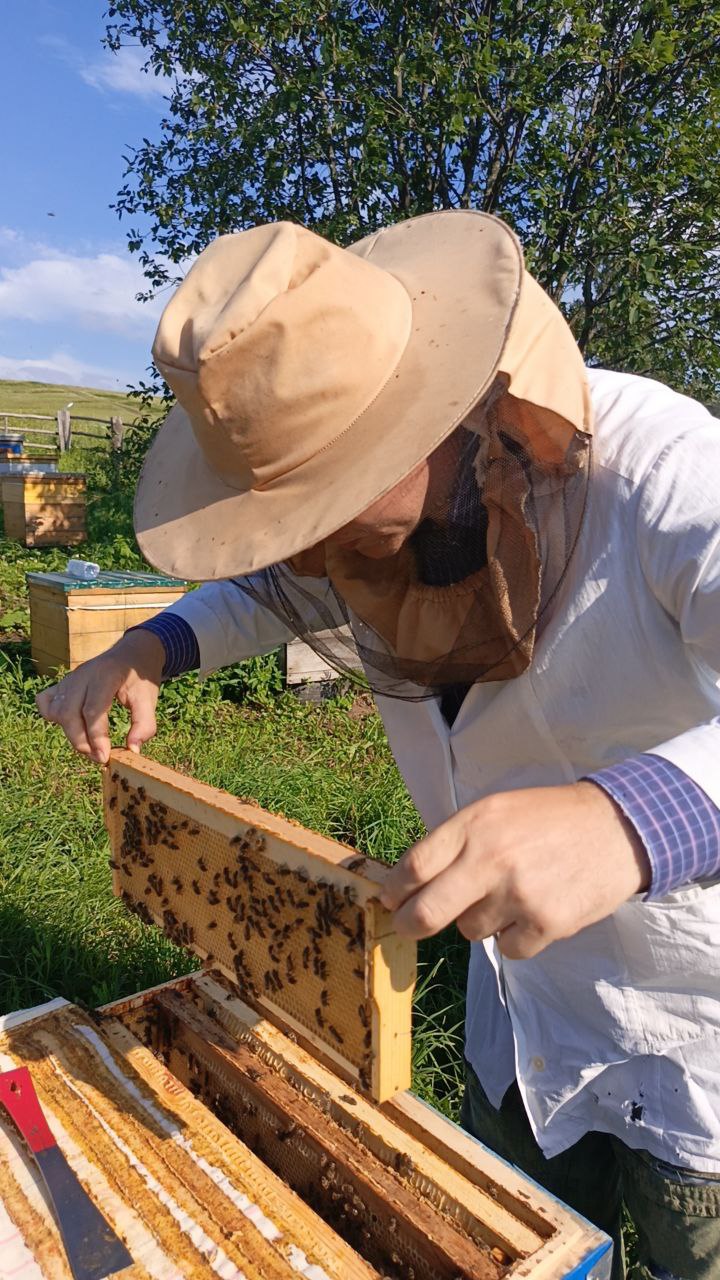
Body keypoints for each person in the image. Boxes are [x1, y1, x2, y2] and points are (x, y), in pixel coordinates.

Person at [37, 212, 720, 1277]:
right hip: (518, 1022)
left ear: (436, 410)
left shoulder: (666, 475)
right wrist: (150, 642)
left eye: (328, 500)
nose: (309, 548)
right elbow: (266, 588)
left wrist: (632, 819)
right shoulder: (337, 538)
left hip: (693, 1039)